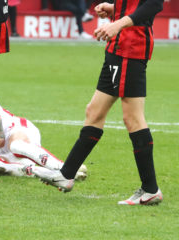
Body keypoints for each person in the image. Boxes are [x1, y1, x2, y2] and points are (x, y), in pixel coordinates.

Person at [40, 0, 164, 206]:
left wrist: (117, 24)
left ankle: (150, 189)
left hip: (131, 49)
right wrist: (114, 10)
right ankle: (66, 174)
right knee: (94, 112)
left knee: (133, 118)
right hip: (117, 48)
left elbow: (153, 5)